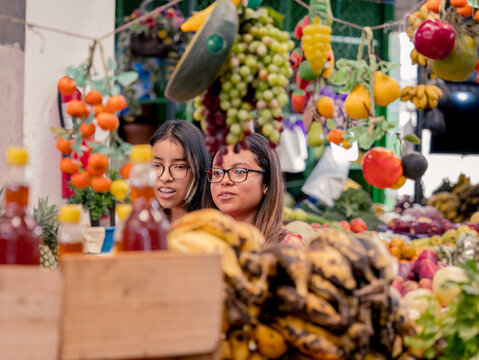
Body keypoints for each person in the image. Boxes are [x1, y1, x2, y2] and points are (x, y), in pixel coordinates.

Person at [202, 133, 303, 247]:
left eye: (239, 172)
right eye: (217, 172)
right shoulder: (200, 243)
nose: (224, 181)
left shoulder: (287, 246)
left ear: (267, 183)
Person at [149, 120, 209, 223]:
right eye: (156, 165)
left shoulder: (210, 229)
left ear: (199, 169)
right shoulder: (150, 222)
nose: (165, 177)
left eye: (179, 167)